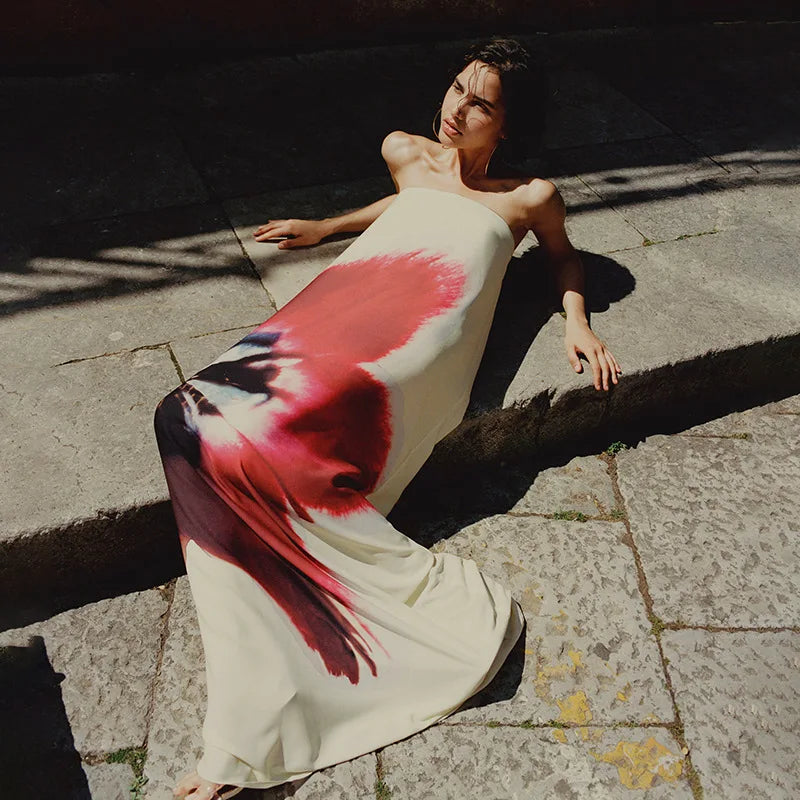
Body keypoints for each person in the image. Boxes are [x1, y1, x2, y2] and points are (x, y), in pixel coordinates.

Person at [160, 37, 622, 800]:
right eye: (456, 88)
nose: (457, 109)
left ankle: (247, 726)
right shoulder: (405, 150)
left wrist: (576, 319)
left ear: (506, 125)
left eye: (481, 103)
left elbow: (564, 258)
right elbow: (405, 205)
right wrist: (326, 226)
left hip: (422, 340)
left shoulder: (529, 194)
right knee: (184, 413)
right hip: (351, 296)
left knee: (270, 433)